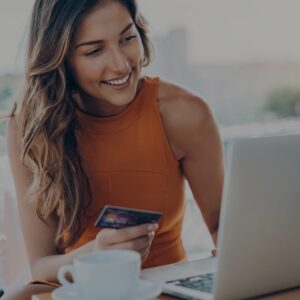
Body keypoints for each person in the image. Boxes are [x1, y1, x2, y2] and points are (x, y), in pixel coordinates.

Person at [5, 0, 224, 297]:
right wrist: (94, 254)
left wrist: (233, 250)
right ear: (60, 58)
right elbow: (42, 266)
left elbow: (223, 229)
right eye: (95, 50)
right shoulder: (31, 128)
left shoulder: (184, 113)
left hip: (162, 290)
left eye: (127, 38)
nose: (121, 64)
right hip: (76, 289)